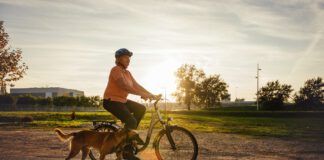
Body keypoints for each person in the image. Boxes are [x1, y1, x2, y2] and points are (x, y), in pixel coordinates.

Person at [103, 48, 156, 134]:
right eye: (126, 57)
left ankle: (129, 134)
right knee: (131, 121)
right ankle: (127, 142)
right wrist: (142, 94)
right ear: (118, 59)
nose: (128, 60)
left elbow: (137, 86)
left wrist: (150, 94)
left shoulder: (127, 73)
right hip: (111, 101)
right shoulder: (116, 69)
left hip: (122, 101)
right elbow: (124, 86)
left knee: (141, 109)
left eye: (129, 58)